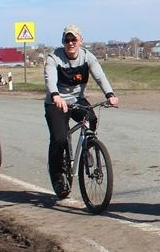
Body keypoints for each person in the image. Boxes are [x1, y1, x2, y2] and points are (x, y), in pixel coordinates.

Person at [44, 25, 118, 198]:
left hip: (77, 100)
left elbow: (99, 76)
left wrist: (110, 94)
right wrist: (55, 95)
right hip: (56, 103)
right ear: (63, 42)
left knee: (91, 119)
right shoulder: (54, 57)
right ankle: (58, 177)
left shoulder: (87, 57)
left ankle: (87, 149)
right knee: (59, 138)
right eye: (67, 40)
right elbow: (50, 78)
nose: (70, 43)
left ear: (80, 41)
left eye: (74, 39)